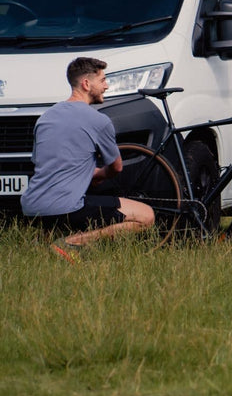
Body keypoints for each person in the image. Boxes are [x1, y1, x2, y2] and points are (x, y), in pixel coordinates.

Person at [21, 57, 154, 253]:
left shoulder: (45, 118)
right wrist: (99, 174)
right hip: (66, 208)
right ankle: (73, 242)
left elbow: (44, 162)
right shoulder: (99, 120)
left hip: (32, 207)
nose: (106, 86)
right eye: (102, 80)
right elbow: (116, 168)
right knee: (146, 216)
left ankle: (49, 241)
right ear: (86, 84)